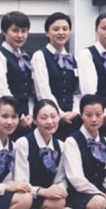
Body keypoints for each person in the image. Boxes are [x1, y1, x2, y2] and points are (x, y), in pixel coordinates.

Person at [14, 99, 76, 209]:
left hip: (48, 200)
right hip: (27, 199)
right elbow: (20, 182)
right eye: (44, 117)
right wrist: (43, 191)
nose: (50, 121)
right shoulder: (23, 143)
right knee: (54, 203)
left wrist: (59, 189)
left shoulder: (61, 145)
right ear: (35, 120)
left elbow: (61, 178)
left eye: (53, 116)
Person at [32, 12, 81, 141]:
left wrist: (75, 111)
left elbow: (77, 91)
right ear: (47, 33)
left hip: (73, 120)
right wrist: (60, 114)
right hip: (49, 120)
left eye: (65, 29)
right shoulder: (40, 56)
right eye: (56, 29)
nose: (61, 32)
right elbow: (42, 90)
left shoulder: (73, 59)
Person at [0, 11, 35, 140]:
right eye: (15, 30)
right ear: (4, 31)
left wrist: (31, 114)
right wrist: (17, 116)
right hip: (6, 120)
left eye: (24, 31)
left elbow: (30, 92)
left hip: (26, 120)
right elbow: (0, 91)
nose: (20, 35)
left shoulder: (26, 57)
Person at [77, 12, 106, 137]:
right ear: (96, 30)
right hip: (95, 118)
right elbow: (89, 91)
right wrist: (104, 115)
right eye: (104, 28)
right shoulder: (87, 54)